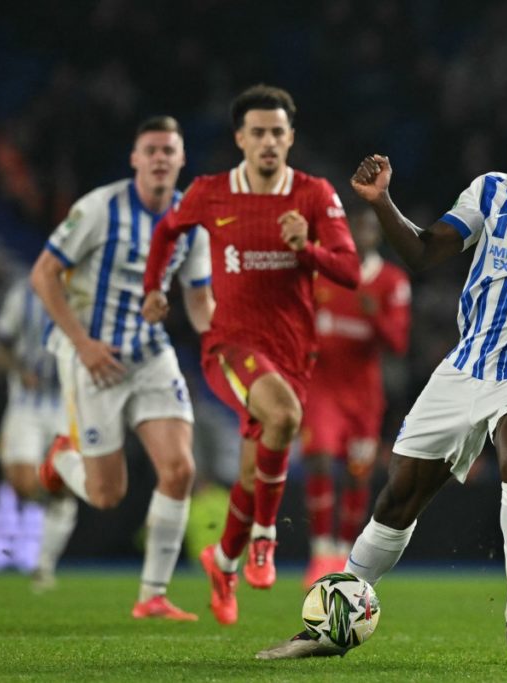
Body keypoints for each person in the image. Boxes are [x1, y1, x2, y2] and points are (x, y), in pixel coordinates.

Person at [256, 101, 507, 660]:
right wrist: (382, 202)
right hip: (465, 366)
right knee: (399, 496)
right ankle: (330, 623)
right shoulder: (488, 192)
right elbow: (423, 252)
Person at [142, 84, 360, 626]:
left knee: (250, 472)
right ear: (240, 138)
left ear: (291, 138)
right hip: (230, 345)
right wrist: (154, 288)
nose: (268, 141)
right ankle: (264, 538)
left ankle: (222, 562)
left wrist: (306, 248)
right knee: (284, 416)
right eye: (257, 132)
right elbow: (167, 232)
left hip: (292, 354)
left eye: (276, 132)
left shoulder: (313, 194)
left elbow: (350, 271)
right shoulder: (211, 192)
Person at [30, 115, 213, 620]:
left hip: (150, 352)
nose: (159, 158)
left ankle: (152, 595)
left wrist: (231, 344)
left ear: (181, 159)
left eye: (168, 150)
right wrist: (83, 344)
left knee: (180, 469)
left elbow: (200, 302)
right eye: (150, 149)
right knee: (107, 495)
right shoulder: (99, 208)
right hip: (94, 358)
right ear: (135, 158)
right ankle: (62, 459)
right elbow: (43, 274)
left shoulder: (191, 220)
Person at [301, 206, 411, 586]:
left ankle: (344, 552)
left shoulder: (391, 281)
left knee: (357, 474)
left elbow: (398, 343)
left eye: (368, 229)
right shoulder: (322, 274)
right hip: (321, 389)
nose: (360, 235)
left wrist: (374, 316)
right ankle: (320, 551)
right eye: (355, 228)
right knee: (318, 460)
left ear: (376, 235)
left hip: (363, 396)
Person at [0, 276, 75, 592]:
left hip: (66, 404)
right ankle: (59, 501)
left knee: (62, 481)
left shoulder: (85, 291)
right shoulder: (22, 294)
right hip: (25, 403)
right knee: (23, 484)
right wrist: (18, 369)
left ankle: (44, 565)